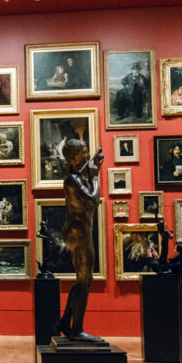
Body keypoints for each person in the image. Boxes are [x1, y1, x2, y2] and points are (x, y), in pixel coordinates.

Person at [55, 139, 104, 342]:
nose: (87, 155)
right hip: (78, 233)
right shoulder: (72, 180)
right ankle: (77, 329)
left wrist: (92, 169)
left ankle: (66, 322)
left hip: (80, 231)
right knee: (85, 281)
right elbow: (93, 198)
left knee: (81, 280)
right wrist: (95, 175)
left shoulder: (78, 176)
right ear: (73, 157)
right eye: (84, 152)